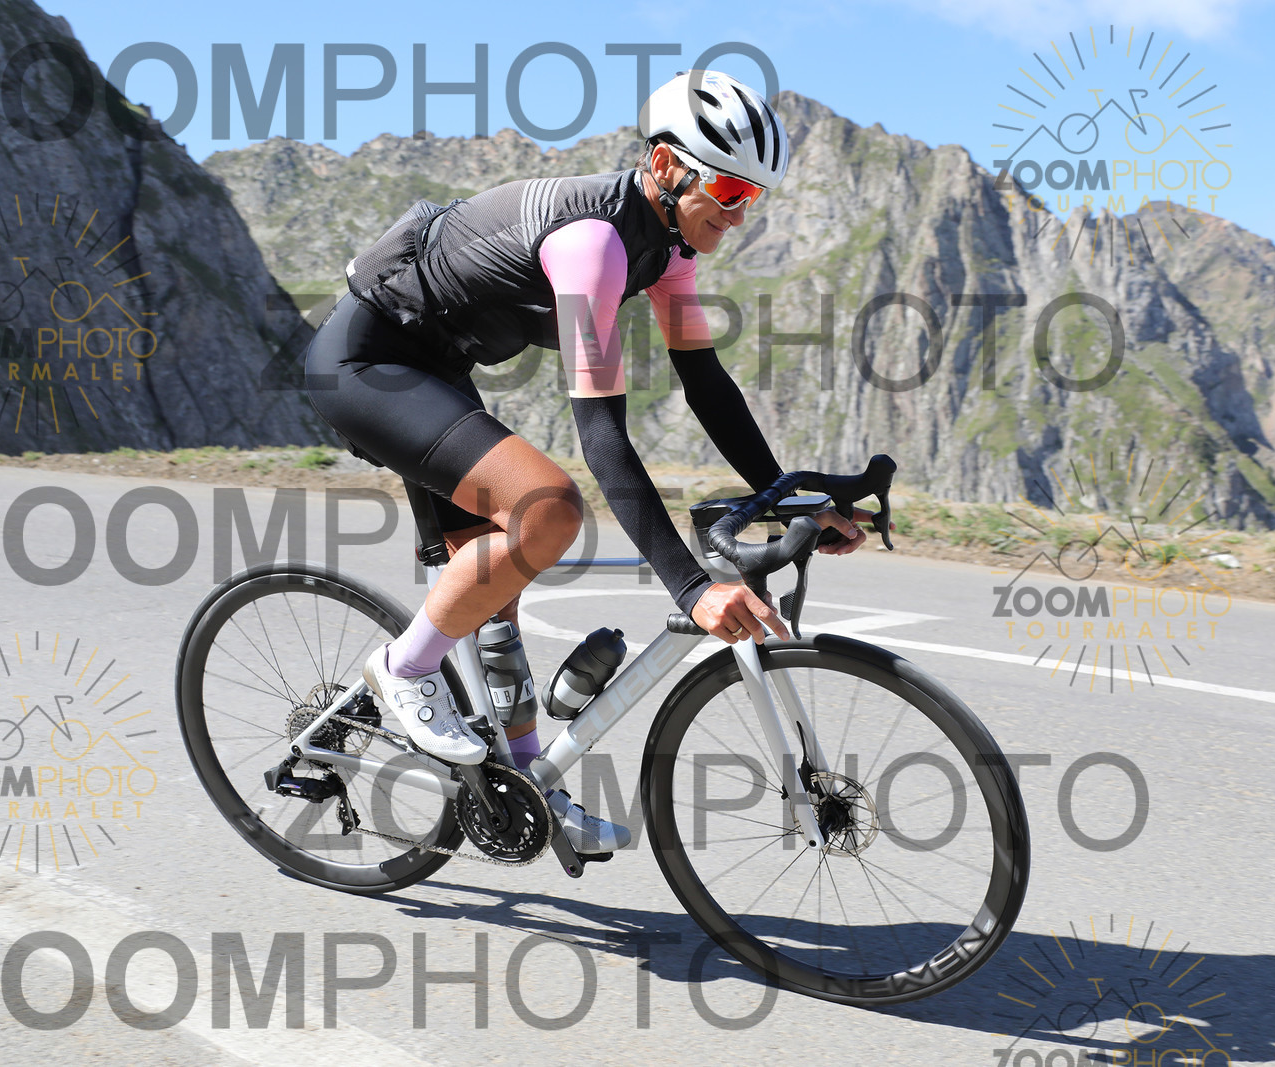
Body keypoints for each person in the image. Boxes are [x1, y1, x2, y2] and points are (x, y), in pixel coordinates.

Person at [302, 70, 872, 854]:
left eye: (754, 198)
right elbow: (602, 437)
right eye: (732, 191)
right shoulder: (594, 243)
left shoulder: (668, 251)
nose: (741, 214)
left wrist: (785, 497)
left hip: (436, 369)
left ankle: (527, 782)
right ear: (667, 166)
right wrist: (692, 588)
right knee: (549, 510)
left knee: (494, 596)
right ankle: (402, 670)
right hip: (366, 366)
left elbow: (706, 384)